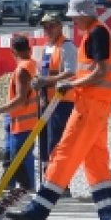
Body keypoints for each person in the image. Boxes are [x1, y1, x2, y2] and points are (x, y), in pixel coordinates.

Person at [6, 0, 111, 220]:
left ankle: (37, 211)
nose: (74, 23)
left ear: (85, 14)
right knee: (96, 162)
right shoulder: (96, 32)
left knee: (64, 154)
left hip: (90, 104)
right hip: (97, 105)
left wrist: (72, 85)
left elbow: (100, 72)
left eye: (75, 18)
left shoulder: (96, 33)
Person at [0, 35, 38, 191]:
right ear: (29, 49)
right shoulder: (30, 65)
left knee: (21, 160)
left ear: (13, 51)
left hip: (23, 123)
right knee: (12, 159)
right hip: (19, 121)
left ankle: (28, 191)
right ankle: (7, 189)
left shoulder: (23, 70)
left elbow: (21, 98)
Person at [33, 12, 76, 162]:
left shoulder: (67, 47)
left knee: (55, 142)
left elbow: (70, 72)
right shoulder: (48, 47)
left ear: (60, 27)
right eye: (45, 27)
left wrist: (47, 80)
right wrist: (38, 81)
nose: (48, 30)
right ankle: (48, 177)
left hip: (61, 101)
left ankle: (58, 182)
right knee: (44, 141)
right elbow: (43, 70)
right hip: (47, 101)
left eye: (51, 26)